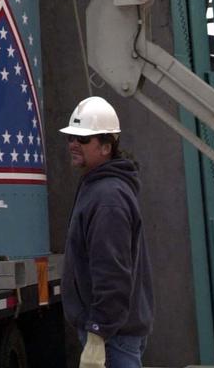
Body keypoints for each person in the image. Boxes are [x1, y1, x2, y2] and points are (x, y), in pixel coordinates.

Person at [60, 96, 153, 368]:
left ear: (106, 147)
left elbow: (112, 272)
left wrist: (98, 333)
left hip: (112, 337)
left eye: (82, 139)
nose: (73, 144)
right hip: (113, 333)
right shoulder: (98, 188)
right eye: (70, 137)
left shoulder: (107, 197)